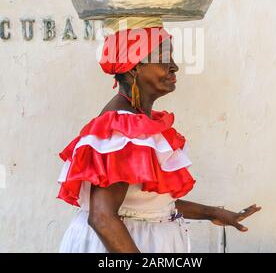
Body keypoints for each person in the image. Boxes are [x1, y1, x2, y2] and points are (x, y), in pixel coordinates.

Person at [57, 17, 261, 253]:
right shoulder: (122, 130)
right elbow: (103, 218)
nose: (174, 66)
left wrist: (212, 213)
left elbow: (146, 203)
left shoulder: (137, 123)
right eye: (164, 58)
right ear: (134, 68)